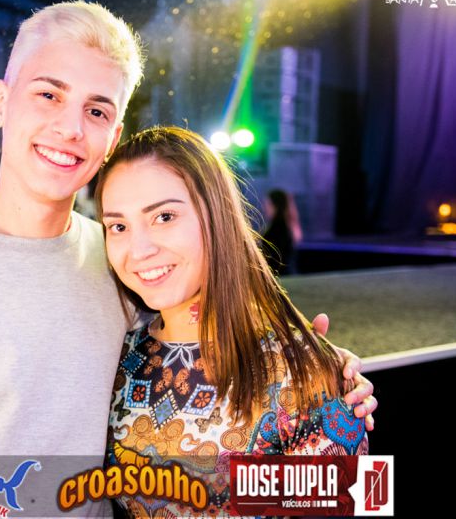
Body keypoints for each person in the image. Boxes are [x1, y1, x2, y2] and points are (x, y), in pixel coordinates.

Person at [0, 1, 375, 516]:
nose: (70, 127)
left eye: (97, 109)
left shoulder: (118, 264)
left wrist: (321, 376)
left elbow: (350, 489)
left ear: (112, 137)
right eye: (49, 95)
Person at [97, 127, 368, 517]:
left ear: (217, 215)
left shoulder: (301, 367)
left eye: (164, 216)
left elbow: (357, 500)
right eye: (118, 226)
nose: (138, 250)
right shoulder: (120, 357)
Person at [261, 188, 302, 275]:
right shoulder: (288, 226)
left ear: (276, 206)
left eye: (268, 204)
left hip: (279, 277)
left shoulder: (276, 230)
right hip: (287, 276)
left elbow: (274, 261)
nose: (265, 208)